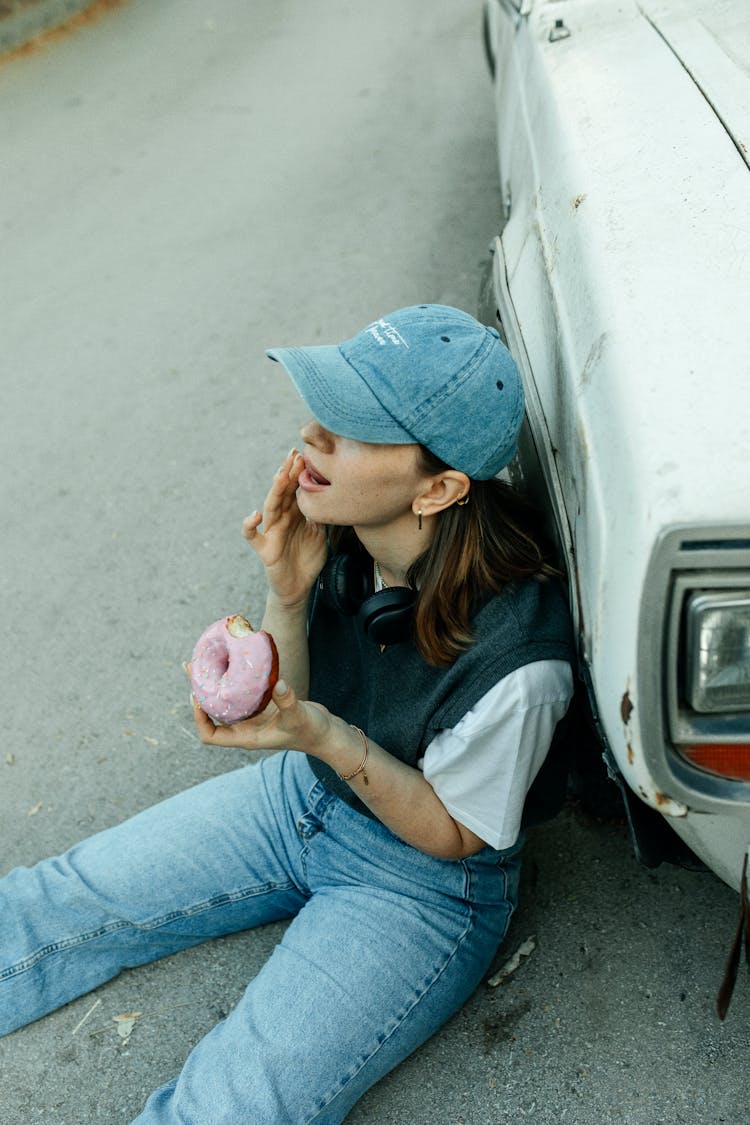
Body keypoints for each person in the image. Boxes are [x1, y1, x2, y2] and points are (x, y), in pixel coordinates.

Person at [0, 305, 575, 1123]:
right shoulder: (343, 528)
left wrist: (327, 739)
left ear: (440, 487)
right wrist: (288, 590)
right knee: (60, 893)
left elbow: (455, 834)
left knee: (230, 1103)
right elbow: (290, 704)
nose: (313, 434)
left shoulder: (520, 661)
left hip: (425, 882)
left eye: (355, 425)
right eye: (322, 406)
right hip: (306, 793)